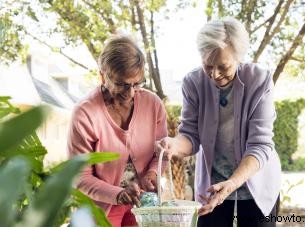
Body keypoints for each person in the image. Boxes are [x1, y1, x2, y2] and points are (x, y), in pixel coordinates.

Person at [157, 17, 281, 227]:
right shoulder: (193, 83)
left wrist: (232, 183)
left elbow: (260, 144)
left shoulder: (259, 80)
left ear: (238, 57)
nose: (214, 74)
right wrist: (174, 145)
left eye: (223, 66)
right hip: (211, 188)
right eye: (208, 65)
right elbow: (190, 135)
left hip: (256, 183)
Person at [67, 35, 167, 227]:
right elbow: (80, 175)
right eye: (121, 84)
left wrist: (152, 174)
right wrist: (118, 194)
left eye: (137, 83)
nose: (130, 93)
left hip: (144, 203)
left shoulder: (153, 104)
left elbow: (161, 153)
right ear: (103, 76)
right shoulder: (85, 113)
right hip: (100, 206)